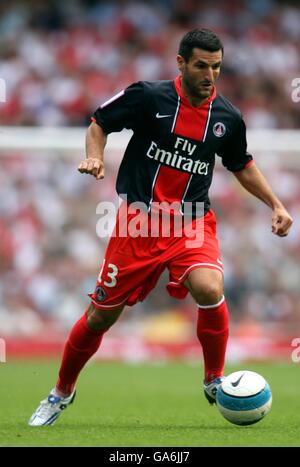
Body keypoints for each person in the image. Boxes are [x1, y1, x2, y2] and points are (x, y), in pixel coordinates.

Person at [29, 28, 293, 426]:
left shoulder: (227, 118)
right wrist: (94, 158)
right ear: (181, 63)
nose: (210, 75)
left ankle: (213, 378)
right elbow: (99, 122)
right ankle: (61, 391)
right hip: (139, 222)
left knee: (209, 287)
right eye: (202, 65)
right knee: (100, 316)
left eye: (217, 67)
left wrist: (275, 203)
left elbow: (241, 163)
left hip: (191, 221)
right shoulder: (150, 97)